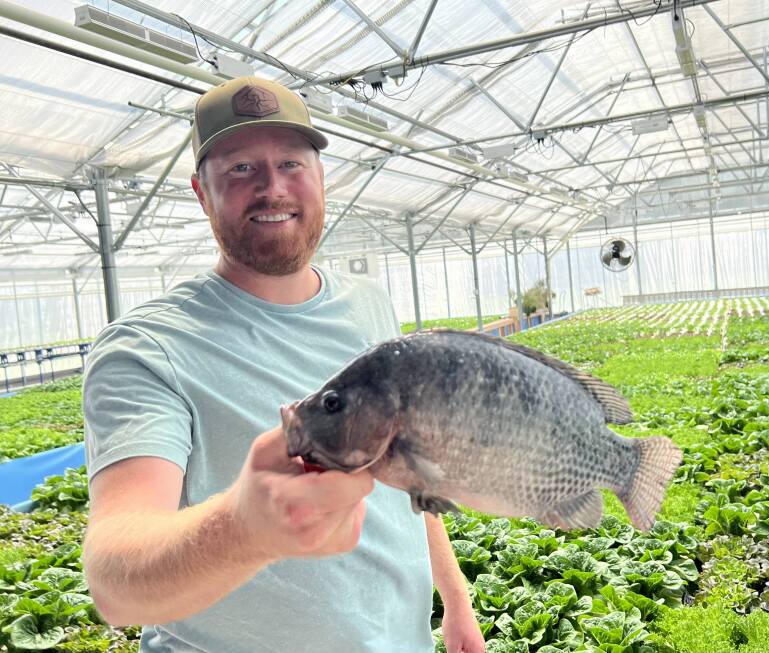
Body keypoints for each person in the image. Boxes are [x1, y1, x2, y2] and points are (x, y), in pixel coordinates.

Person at [82, 76, 485, 653]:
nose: (273, 188)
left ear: (321, 177)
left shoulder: (370, 305)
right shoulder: (147, 347)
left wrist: (456, 599)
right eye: (241, 169)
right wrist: (245, 528)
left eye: (292, 163)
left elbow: (403, 471)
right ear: (202, 192)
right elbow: (115, 580)